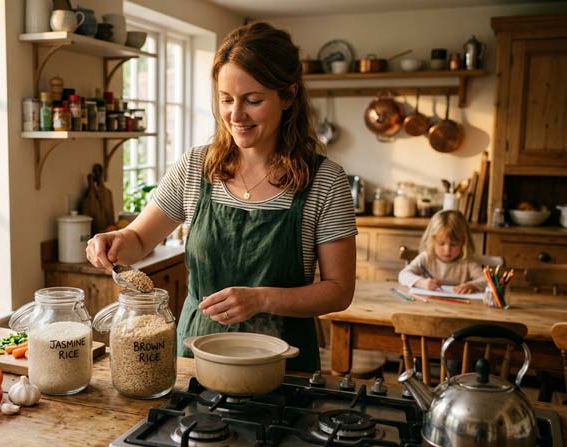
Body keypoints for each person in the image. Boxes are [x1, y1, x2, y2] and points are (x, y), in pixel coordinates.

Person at [86, 22, 356, 372]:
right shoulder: (196, 167)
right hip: (196, 358)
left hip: (282, 368)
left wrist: (261, 299)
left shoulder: (324, 181)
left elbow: (338, 290)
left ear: (288, 96)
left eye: (253, 100)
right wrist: (115, 241)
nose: (235, 115)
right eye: (226, 99)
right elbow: (138, 238)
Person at [398, 209, 487, 293]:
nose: (447, 250)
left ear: (464, 242)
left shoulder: (468, 261)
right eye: (441, 244)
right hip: (429, 304)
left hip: (460, 307)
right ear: (432, 241)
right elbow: (403, 275)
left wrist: (472, 285)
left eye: (453, 244)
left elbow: (486, 281)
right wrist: (421, 283)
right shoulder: (427, 257)